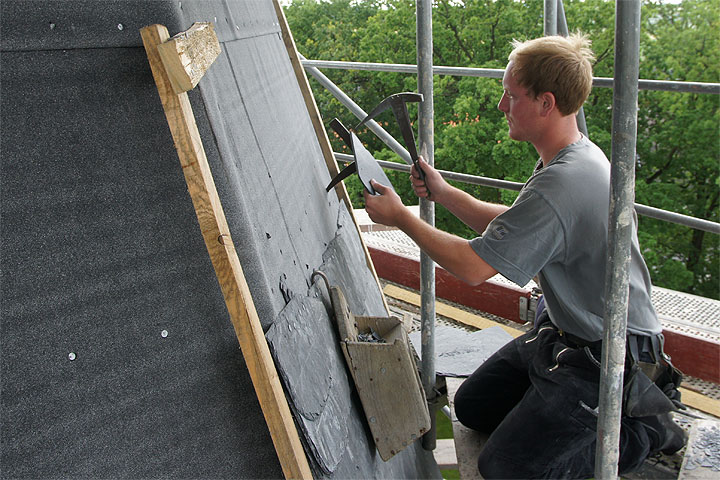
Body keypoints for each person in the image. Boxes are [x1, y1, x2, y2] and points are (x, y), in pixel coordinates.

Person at [363, 33, 685, 478]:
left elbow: (475, 267)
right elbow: (517, 227)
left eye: (510, 96)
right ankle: (553, 406)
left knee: (507, 469)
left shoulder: (564, 182)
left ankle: (644, 429)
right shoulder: (572, 156)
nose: (501, 106)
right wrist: (445, 192)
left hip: (610, 356)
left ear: (545, 103)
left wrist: (401, 217)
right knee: (474, 407)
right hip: (565, 333)